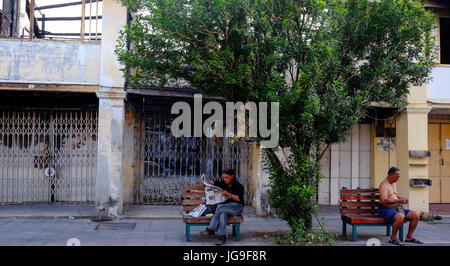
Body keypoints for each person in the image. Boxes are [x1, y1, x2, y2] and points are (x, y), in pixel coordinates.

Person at [378, 167, 423, 245]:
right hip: (385, 208)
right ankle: (393, 239)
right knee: (400, 216)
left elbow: (394, 196)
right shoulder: (384, 185)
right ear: (391, 175)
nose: (398, 178)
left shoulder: (393, 183)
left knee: (415, 215)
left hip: (397, 208)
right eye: (397, 176)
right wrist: (398, 201)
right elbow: (383, 200)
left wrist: (401, 199)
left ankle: (409, 237)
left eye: (399, 176)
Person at [200, 168, 244, 245]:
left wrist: (228, 194)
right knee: (222, 214)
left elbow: (238, 199)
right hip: (226, 208)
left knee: (220, 207)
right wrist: (208, 184)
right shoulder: (223, 183)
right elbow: (214, 183)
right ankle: (222, 237)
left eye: (226, 177)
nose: (225, 179)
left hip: (237, 207)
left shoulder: (238, 186)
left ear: (232, 176)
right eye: (223, 177)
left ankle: (211, 228)